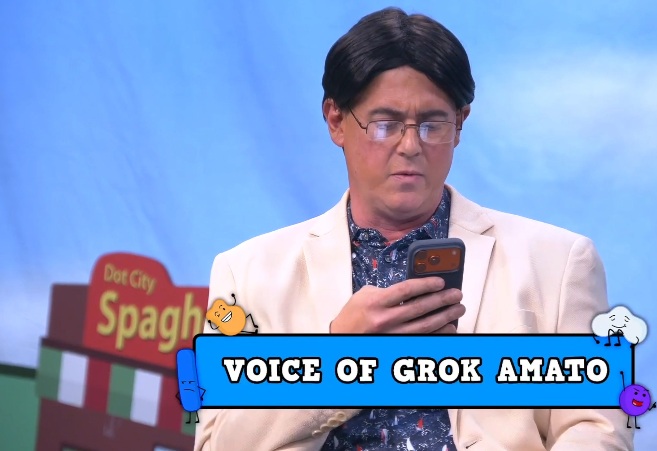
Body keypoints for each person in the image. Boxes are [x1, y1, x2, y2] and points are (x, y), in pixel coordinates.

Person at [195, 7, 634, 451]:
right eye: (385, 124)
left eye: (431, 125)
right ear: (336, 121)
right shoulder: (246, 273)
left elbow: (596, 431)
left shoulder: (558, 262)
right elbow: (217, 445)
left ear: (460, 124)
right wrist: (337, 358)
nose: (410, 146)